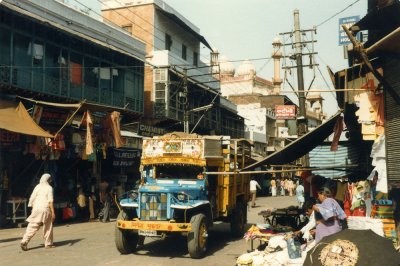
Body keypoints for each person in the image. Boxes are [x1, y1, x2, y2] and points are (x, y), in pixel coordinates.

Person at [20, 173, 55, 251]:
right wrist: (53, 212)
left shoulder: (37, 187)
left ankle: (24, 241)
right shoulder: (49, 188)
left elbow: (32, 197)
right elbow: (50, 201)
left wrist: (32, 207)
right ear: (48, 180)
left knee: (32, 226)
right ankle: (48, 243)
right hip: (45, 209)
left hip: (36, 208)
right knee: (48, 226)